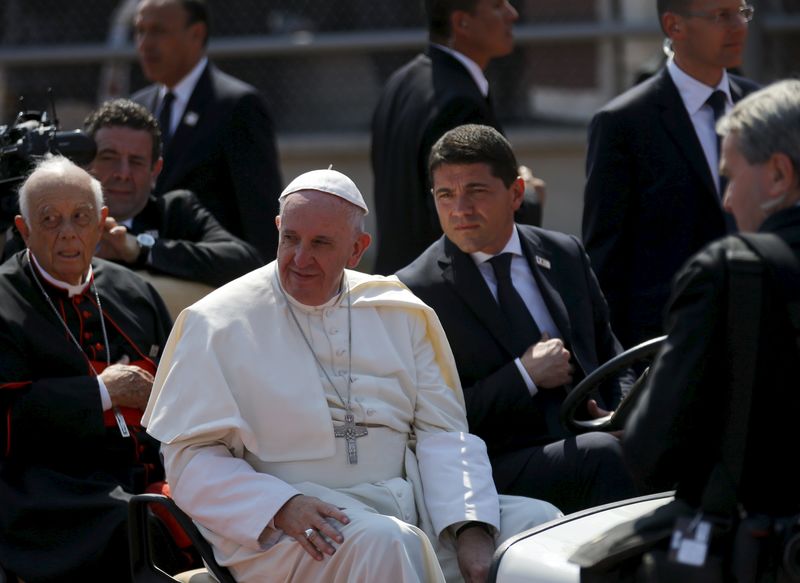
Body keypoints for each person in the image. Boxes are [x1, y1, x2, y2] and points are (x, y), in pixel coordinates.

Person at [142, 168, 561, 582]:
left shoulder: (397, 311)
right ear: (277, 228)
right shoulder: (218, 322)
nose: (300, 259)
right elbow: (188, 460)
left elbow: (443, 432)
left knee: (537, 529)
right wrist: (280, 505)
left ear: (357, 249)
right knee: (387, 542)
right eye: (290, 239)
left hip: (408, 504)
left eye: (321, 243)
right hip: (290, 532)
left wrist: (469, 525)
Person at [397, 124, 637, 515]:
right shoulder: (415, 289)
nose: (460, 209)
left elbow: (608, 348)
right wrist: (523, 375)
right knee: (603, 457)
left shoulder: (563, 252)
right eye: (446, 195)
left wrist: (624, 410)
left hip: (590, 434)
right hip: (498, 461)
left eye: (476, 191)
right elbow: (432, 419)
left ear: (516, 194)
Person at [625, 80, 800, 515]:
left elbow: (650, 454)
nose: (726, 200)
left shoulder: (727, 272)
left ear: (778, 175)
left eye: (730, 176)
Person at [0, 157, 173, 581]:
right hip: (51, 487)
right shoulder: (4, 301)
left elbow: (183, 385)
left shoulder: (134, 292)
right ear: (24, 230)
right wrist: (101, 392)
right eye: (50, 220)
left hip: (145, 471)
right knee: (134, 526)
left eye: (80, 218)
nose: (67, 234)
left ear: (100, 223)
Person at [581, 0, 760, 348]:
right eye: (722, 15)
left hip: (759, 335)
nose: (738, 25)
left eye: (742, 11)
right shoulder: (623, 123)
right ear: (674, 25)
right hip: (669, 346)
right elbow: (605, 260)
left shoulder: (763, 106)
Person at [371, 0, 543, 275]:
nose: (512, 14)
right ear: (462, 22)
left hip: (400, 285)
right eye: (498, 6)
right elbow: (466, 223)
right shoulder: (458, 102)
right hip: (444, 299)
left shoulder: (402, 82)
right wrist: (529, 197)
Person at [132, 0, 283, 261]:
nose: (145, 43)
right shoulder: (137, 108)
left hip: (214, 282)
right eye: (140, 30)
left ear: (196, 34)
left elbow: (260, 218)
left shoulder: (236, 106)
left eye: (158, 31)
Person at [84, 98, 263, 287]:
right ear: (85, 163)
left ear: (155, 170)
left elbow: (245, 263)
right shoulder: (62, 218)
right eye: (109, 158)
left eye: (136, 162)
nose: (123, 174)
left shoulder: (175, 213)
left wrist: (141, 249)